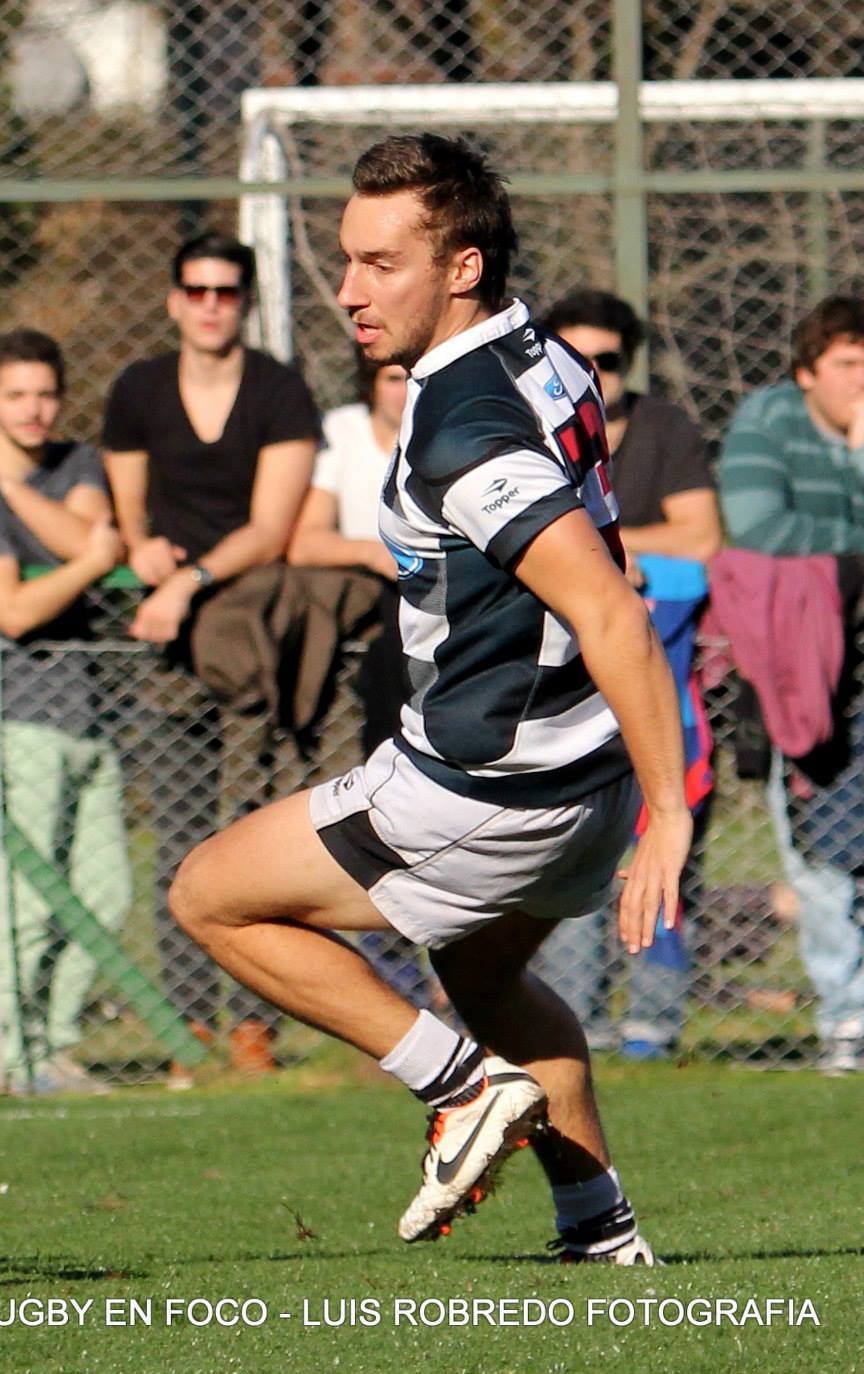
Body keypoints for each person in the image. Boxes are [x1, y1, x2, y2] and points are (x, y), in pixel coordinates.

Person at [167, 133, 688, 1264]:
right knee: (486, 975)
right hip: (578, 775)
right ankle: (598, 1230)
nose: (349, 291)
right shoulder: (541, 353)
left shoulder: (463, 429)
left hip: (482, 787)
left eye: (380, 264)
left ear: (459, 267)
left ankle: (457, 1093)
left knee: (209, 895)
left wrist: (676, 812)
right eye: (346, 260)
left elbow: (608, 611)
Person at [99, 230, 319, 1071]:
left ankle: (259, 1020)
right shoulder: (138, 389)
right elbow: (129, 512)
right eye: (195, 289)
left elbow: (270, 527)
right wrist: (144, 550)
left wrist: (186, 576)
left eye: (226, 291)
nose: (210, 304)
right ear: (173, 298)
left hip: (257, 635)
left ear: (245, 300)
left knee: (264, 831)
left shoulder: (279, 391)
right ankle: (186, 1021)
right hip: (168, 645)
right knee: (183, 827)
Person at [0, 328, 127, 1092]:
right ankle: (19, 1058)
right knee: (28, 904)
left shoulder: (77, 463)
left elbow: (89, 528)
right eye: (15, 395)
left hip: (94, 715)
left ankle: (57, 1042)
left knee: (108, 896)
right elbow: (11, 608)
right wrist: (87, 560)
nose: (34, 410)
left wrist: (38, 508)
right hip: (19, 718)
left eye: (45, 394)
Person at [535, 289, 721, 1059]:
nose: (592, 374)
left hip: (655, 691)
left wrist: (613, 549)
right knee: (568, 866)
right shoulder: (529, 431)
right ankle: (570, 1023)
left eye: (606, 361)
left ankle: (654, 1027)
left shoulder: (664, 429)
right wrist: (606, 557)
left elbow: (703, 537)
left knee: (661, 851)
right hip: (557, 695)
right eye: (574, 359)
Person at [716, 294, 864, 1073]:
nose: (860, 381)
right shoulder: (769, 421)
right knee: (822, 858)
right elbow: (758, 527)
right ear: (809, 372)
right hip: (809, 677)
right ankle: (848, 1020)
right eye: (846, 365)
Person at [287, 353, 427, 1006]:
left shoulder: (451, 429)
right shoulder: (341, 434)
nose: (403, 391)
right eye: (391, 378)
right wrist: (376, 551)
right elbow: (306, 540)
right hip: (362, 653)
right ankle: (391, 979)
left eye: (411, 378)